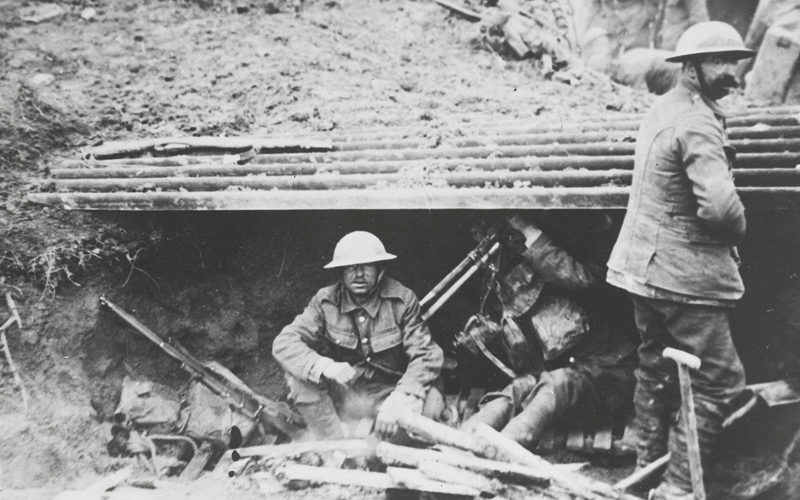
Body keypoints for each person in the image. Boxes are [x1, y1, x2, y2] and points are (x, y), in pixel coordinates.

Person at [606, 21, 755, 500]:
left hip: (642, 269)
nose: (733, 71)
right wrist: (739, 231)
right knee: (719, 382)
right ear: (691, 68)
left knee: (656, 370)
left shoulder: (664, 107)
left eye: (735, 60)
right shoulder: (696, 120)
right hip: (682, 276)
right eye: (721, 62)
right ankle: (676, 488)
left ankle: (644, 476)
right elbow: (720, 206)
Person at [461, 213, 638, 451]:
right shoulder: (510, 288)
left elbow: (576, 278)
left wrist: (529, 232)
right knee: (517, 389)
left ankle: (500, 449)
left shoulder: (580, 273)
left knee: (558, 384)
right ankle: (461, 441)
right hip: (553, 381)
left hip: (601, 376)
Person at [272, 231, 444, 440]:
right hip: (350, 396)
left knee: (429, 414)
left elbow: (426, 355)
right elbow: (284, 343)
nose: (359, 273)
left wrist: (401, 398)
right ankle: (335, 448)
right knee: (299, 378)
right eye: (351, 267)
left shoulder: (402, 300)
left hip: (391, 391)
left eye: (366, 266)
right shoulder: (326, 301)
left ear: (380, 270)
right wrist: (325, 366)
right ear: (341, 272)